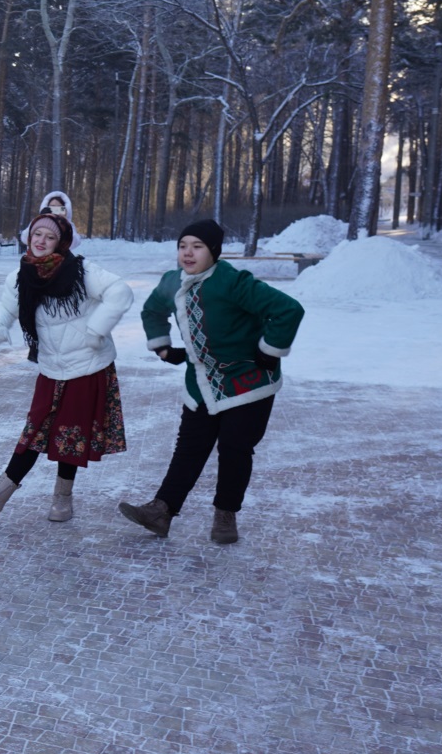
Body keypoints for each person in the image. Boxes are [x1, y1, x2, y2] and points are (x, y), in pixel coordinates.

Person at [119, 219, 305, 544]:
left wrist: (268, 350)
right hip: (202, 381)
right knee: (189, 447)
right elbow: (151, 310)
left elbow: (287, 309)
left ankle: (225, 516)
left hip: (248, 382)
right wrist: (163, 347)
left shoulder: (232, 281)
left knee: (234, 448)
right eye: (183, 246)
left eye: (197, 246)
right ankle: (161, 511)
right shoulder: (171, 281)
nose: (188, 253)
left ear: (214, 251)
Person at [0, 213, 132, 523]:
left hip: (88, 366)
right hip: (51, 366)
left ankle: (62, 499)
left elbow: (120, 291)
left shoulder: (81, 270)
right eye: (37, 234)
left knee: (69, 434)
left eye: (49, 237)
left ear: (61, 243)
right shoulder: (22, 275)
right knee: (34, 430)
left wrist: (96, 329)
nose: (41, 241)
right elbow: (7, 306)